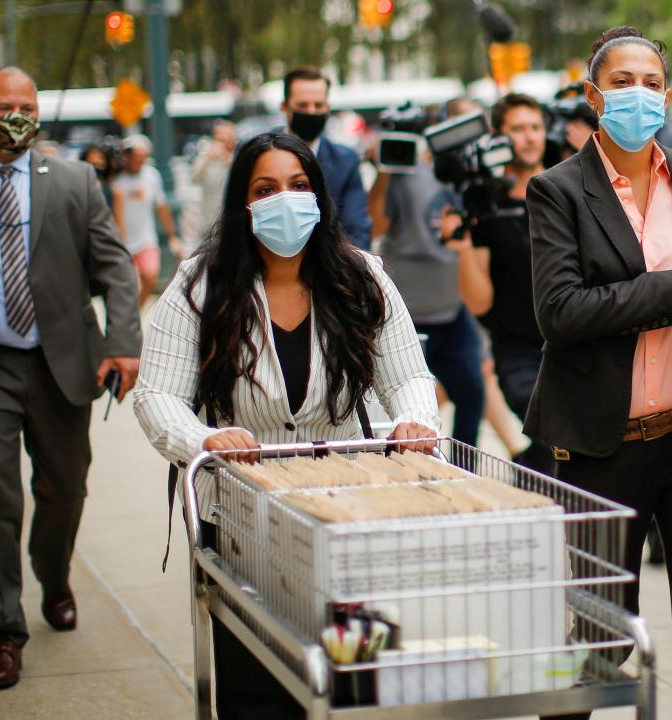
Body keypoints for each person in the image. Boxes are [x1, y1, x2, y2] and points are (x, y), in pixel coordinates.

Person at [133, 132, 439, 718]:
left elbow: (409, 378)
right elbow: (156, 397)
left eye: (299, 186)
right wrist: (204, 439)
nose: (286, 200)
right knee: (258, 684)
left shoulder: (361, 277)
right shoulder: (202, 286)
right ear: (243, 204)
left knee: (348, 678)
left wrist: (413, 421)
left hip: (343, 514)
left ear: (320, 197)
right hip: (245, 520)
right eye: (266, 189)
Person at [525, 27, 672, 720]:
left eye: (651, 82)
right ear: (592, 96)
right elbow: (560, 312)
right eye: (621, 82)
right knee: (595, 637)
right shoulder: (556, 190)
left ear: (668, 95)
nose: (638, 94)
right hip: (602, 447)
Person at [0, 66, 142, 690]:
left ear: (39, 113)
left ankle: (52, 572)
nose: (15, 115)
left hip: (63, 364)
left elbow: (115, 268)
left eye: (26, 105)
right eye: (3, 106)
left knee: (65, 490)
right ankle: (1, 634)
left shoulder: (76, 182)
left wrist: (123, 342)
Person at [443, 92, 552, 474]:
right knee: (553, 434)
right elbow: (479, 303)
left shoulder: (567, 190)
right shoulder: (485, 203)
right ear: (499, 136)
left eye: (536, 127)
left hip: (574, 346)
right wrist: (463, 247)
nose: (529, 137)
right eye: (518, 129)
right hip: (520, 355)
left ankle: (532, 474)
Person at [367, 101, 484, 450]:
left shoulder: (466, 175)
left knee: (472, 395)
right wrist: (385, 168)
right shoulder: (403, 171)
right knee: (400, 409)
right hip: (408, 317)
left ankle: (465, 471)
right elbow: (376, 224)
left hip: (452, 310)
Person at [281, 66, 372, 250]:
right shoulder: (260, 155)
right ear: (285, 107)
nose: (312, 111)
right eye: (302, 106)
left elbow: (357, 232)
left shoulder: (345, 161)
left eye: (318, 105)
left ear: (328, 107)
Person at [111, 133, 180, 307]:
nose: (138, 162)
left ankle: (135, 311)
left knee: (150, 277)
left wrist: (172, 236)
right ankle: (129, 314)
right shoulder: (116, 178)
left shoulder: (151, 176)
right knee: (129, 284)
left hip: (145, 238)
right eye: (135, 157)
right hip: (122, 240)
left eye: (142, 158)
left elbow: (162, 207)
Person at [191, 120, 237, 242]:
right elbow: (194, 178)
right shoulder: (207, 155)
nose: (221, 142)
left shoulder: (237, 156)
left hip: (232, 221)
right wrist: (207, 158)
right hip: (209, 221)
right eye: (218, 137)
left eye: (225, 137)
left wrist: (225, 157)